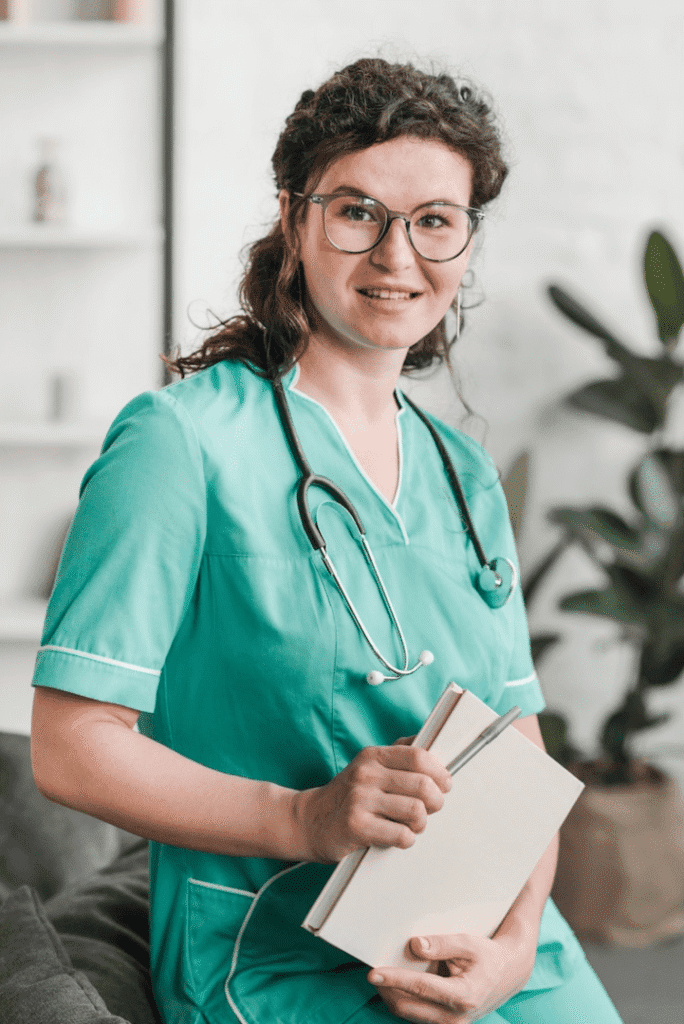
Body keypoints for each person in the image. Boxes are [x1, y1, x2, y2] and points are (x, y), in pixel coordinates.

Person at [30, 58, 624, 1024]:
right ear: (295, 218)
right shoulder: (178, 443)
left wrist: (513, 952)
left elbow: (518, 749)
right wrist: (301, 818)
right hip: (276, 944)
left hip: (489, 938)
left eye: (435, 220)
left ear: (466, 243)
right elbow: (71, 748)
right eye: (357, 212)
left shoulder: (465, 478)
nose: (397, 255)